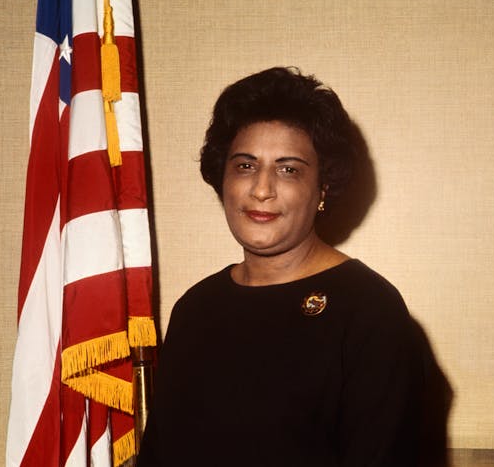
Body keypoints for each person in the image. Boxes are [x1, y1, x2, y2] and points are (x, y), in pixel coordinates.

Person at [137, 67, 450, 466]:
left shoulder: (370, 311)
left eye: (289, 169)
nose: (262, 189)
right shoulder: (196, 308)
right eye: (245, 166)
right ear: (223, 178)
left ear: (323, 188)